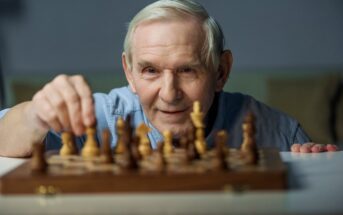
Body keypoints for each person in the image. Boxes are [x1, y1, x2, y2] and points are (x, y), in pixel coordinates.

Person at [0, 0, 331, 158]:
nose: (169, 94)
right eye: (150, 71)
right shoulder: (100, 117)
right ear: (129, 72)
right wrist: (33, 116)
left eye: (187, 70)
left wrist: (315, 163)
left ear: (221, 72)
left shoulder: (276, 130)